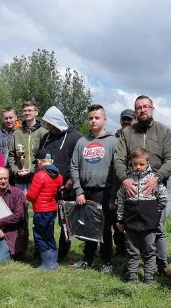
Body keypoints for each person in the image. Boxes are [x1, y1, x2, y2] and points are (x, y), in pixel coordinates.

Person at [114, 96, 171, 273]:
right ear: (135, 111)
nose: (143, 110)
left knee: (158, 228)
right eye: (139, 108)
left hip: (155, 188)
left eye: (146, 107)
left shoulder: (164, 131)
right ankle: (131, 265)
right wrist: (124, 179)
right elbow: (118, 159)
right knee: (131, 228)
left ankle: (161, 266)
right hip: (131, 188)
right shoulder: (127, 133)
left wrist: (156, 178)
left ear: (152, 109)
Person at [69, 105, 117, 273]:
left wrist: (113, 196)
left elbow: (118, 169)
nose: (93, 121)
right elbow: (74, 167)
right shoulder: (82, 142)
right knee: (87, 226)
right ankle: (87, 259)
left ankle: (107, 261)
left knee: (104, 228)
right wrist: (79, 190)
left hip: (104, 191)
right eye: (90, 118)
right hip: (85, 191)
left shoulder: (113, 141)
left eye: (97, 118)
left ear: (105, 119)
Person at [116, 148, 168, 283]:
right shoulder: (127, 182)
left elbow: (163, 198)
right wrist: (120, 220)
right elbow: (120, 201)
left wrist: (154, 214)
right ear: (131, 164)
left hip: (149, 224)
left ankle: (148, 277)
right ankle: (132, 276)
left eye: (141, 164)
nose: (138, 167)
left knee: (149, 251)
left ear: (147, 163)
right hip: (130, 223)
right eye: (135, 164)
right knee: (132, 252)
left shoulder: (153, 180)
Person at [39, 106, 82, 259]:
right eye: (47, 124)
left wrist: (71, 179)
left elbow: (79, 161)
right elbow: (41, 157)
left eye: (50, 124)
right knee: (46, 220)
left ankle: (62, 252)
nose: (48, 127)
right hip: (47, 187)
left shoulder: (75, 137)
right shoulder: (47, 137)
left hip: (66, 187)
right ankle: (45, 250)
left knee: (65, 222)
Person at [7, 101, 47, 256]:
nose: (28, 113)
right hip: (20, 179)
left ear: (36, 112)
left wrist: (33, 170)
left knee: (39, 213)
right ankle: (20, 247)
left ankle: (40, 248)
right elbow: (11, 156)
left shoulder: (43, 132)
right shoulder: (17, 133)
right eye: (25, 110)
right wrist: (16, 171)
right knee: (20, 213)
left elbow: (45, 156)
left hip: (38, 178)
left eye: (31, 110)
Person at [26, 149, 64, 270]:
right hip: (52, 210)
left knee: (40, 236)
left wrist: (26, 195)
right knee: (49, 235)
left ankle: (47, 264)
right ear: (51, 161)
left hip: (41, 210)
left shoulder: (39, 175)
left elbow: (31, 196)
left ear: (38, 161)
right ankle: (53, 262)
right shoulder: (59, 176)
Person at [112, 108, 136, 255]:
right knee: (118, 219)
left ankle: (134, 250)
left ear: (135, 120)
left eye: (129, 119)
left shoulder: (137, 135)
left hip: (134, 182)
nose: (126, 122)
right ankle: (120, 249)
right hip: (117, 181)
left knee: (133, 217)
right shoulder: (115, 137)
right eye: (124, 119)